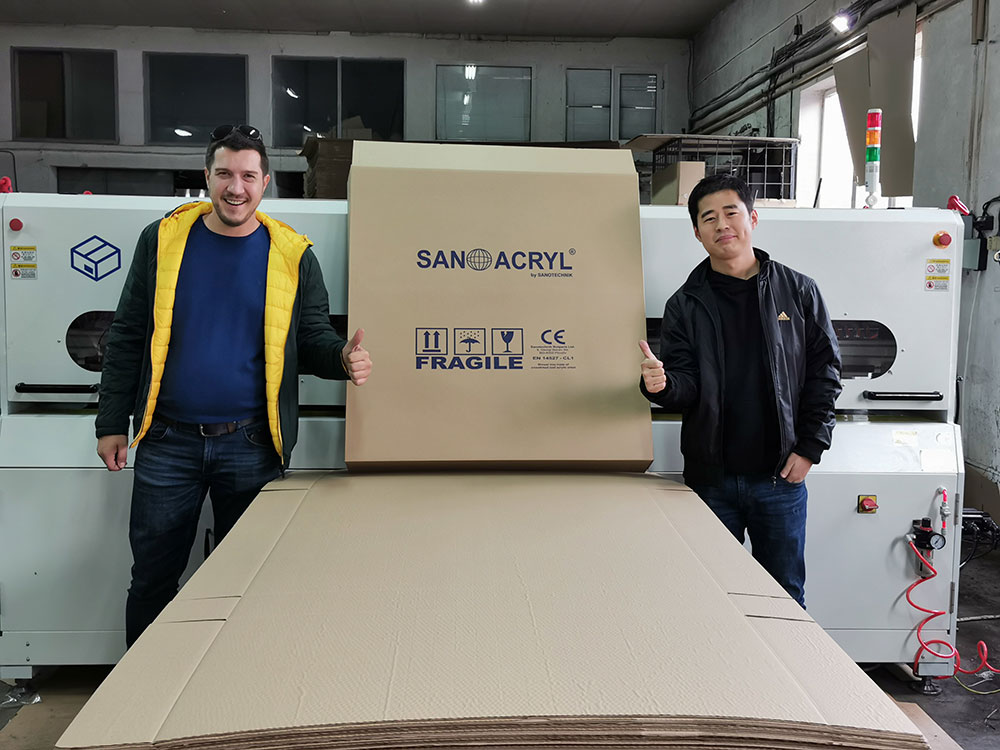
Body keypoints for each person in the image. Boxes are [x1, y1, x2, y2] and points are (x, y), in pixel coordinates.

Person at [95, 124, 372, 646]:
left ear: (265, 182)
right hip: (166, 442)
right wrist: (111, 422)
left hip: (251, 445)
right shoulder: (163, 240)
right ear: (207, 176)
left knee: (243, 582)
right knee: (152, 578)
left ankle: (221, 686)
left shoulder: (292, 254)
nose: (235, 188)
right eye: (224, 174)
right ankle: (146, 687)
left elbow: (310, 338)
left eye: (248, 176)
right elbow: (128, 333)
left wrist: (342, 359)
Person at [638, 174, 841, 607]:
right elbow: (687, 385)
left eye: (731, 212)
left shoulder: (798, 291)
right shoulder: (685, 304)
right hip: (712, 481)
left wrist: (810, 448)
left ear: (752, 218)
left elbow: (824, 375)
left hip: (780, 478)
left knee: (784, 596)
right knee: (712, 597)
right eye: (708, 218)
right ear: (697, 232)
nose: (721, 224)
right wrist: (663, 385)